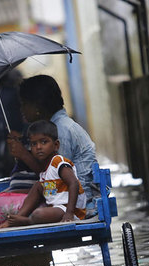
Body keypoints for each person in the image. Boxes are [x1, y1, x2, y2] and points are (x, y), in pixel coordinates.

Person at [8, 74, 100, 214]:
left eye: (24, 104)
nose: (22, 109)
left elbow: (53, 175)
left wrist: (24, 155)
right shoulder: (54, 127)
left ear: (37, 105)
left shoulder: (61, 130)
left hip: (77, 203)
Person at [0, 120, 87, 227]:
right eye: (34, 144)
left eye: (44, 142)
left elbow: (74, 183)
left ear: (56, 145)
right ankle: (20, 216)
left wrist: (69, 213)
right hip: (56, 208)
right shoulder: (45, 169)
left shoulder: (58, 162)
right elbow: (49, 189)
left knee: (38, 214)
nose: (38, 147)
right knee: (38, 185)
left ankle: (26, 221)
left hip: (70, 210)